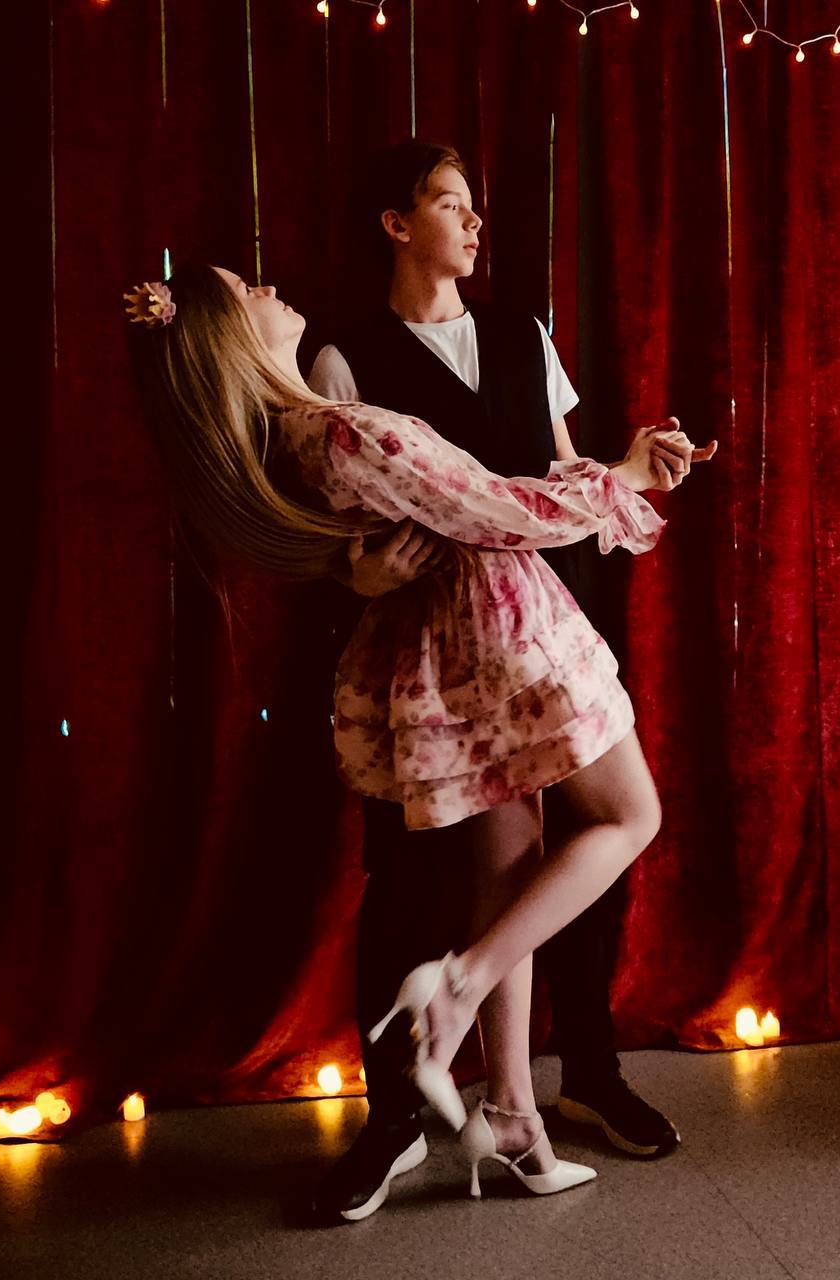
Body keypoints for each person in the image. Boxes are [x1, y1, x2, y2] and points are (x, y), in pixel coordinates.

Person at [126, 262, 715, 1212]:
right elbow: (503, 511)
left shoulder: (295, 439)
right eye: (248, 291)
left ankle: (514, 1116)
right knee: (629, 816)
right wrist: (631, 477)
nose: (270, 290)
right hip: (503, 632)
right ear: (230, 337)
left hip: (440, 654)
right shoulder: (346, 428)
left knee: (509, 873)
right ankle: (457, 986)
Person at [307, 141, 694, 1223]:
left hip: (529, 620)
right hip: (435, 643)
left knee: (517, 874)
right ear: (396, 224)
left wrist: (630, 467)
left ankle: (515, 1112)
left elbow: (557, 475)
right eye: (451, 204)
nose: (475, 223)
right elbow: (327, 526)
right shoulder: (341, 358)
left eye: (475, 205)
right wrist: (353, 572)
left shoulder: (520, 332)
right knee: (565, 842)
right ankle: (454, 1029)